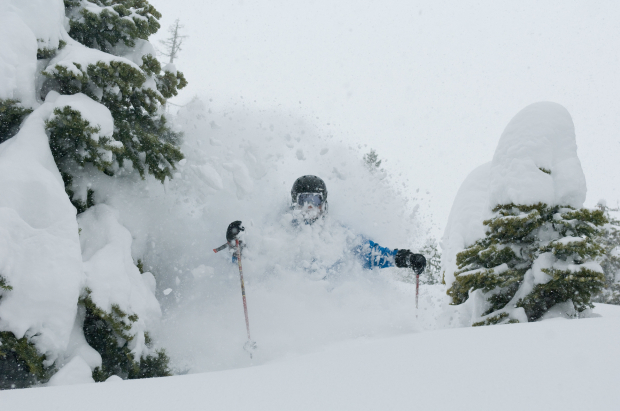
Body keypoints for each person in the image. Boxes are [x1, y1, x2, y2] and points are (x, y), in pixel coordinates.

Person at [225, 175, 426, 274]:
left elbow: (373, 254)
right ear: (295, 202)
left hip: (331, 319)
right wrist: (238, 246)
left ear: (324, 203)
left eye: (315, 199)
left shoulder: (339, 235)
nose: (310, 206)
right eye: (305, 200)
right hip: (285, 315)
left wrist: (404, 258)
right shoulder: (278, 233)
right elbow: (251, 264)